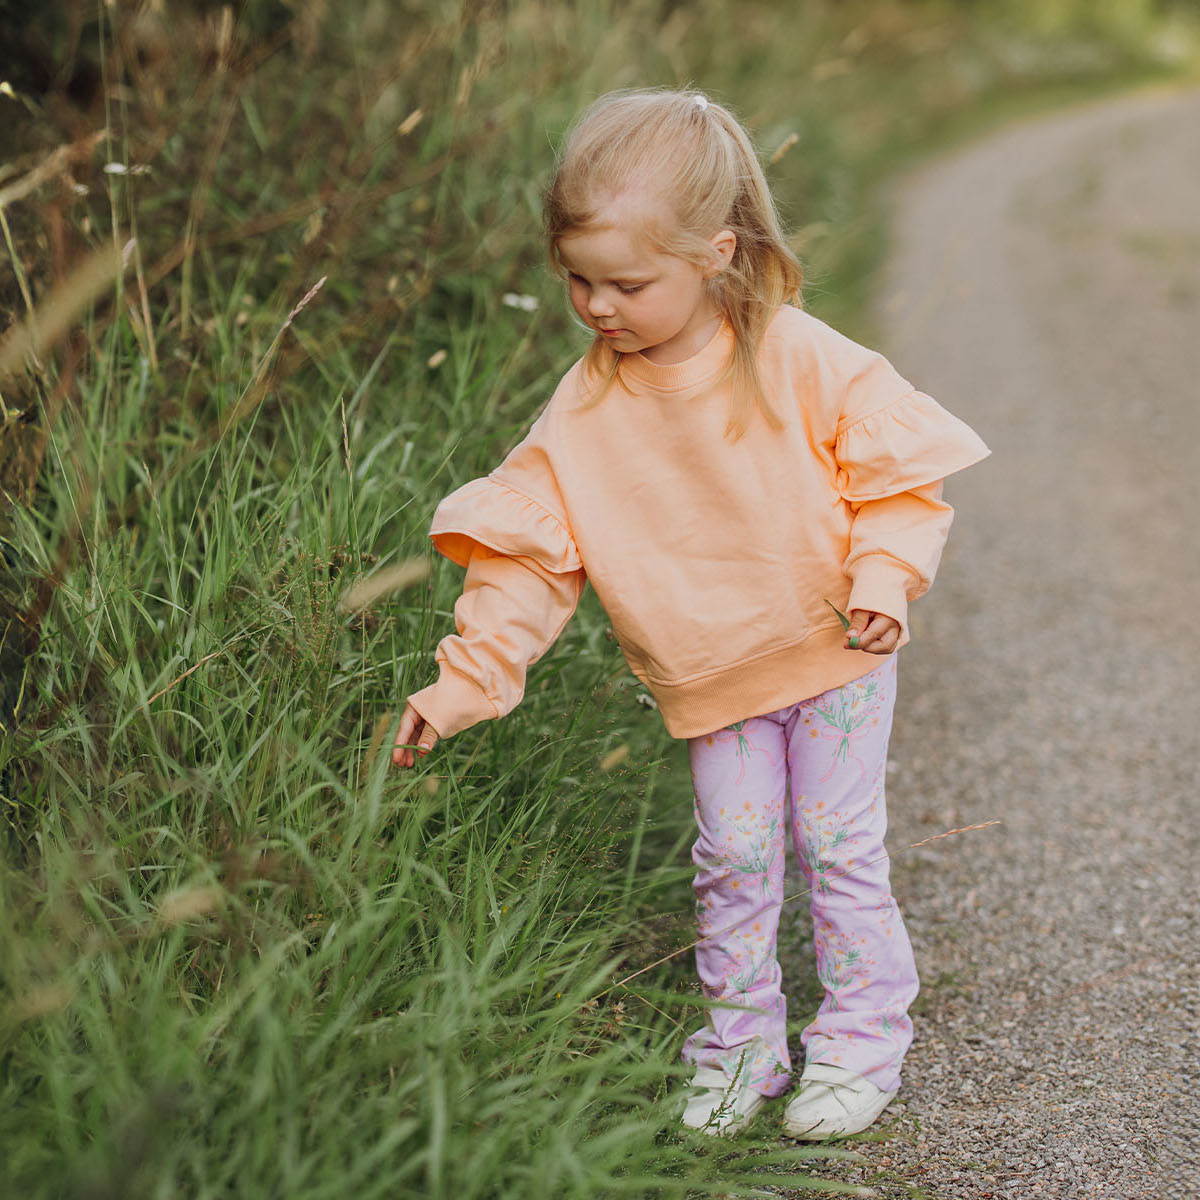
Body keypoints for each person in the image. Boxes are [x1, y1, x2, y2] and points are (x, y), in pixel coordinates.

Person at [392, 88, 989, 1139]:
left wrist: (885, 576)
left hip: (836, 650)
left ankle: (859, 1040)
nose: (598, 306)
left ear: (715, 253)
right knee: (738, 853)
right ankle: (739, 1044)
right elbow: (528, 553)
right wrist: (467, 681)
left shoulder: (798, 356)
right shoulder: (583, 412)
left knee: (838, 843)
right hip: (714, 678)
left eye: (627, 282)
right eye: (576, 279)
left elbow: (896, 477)